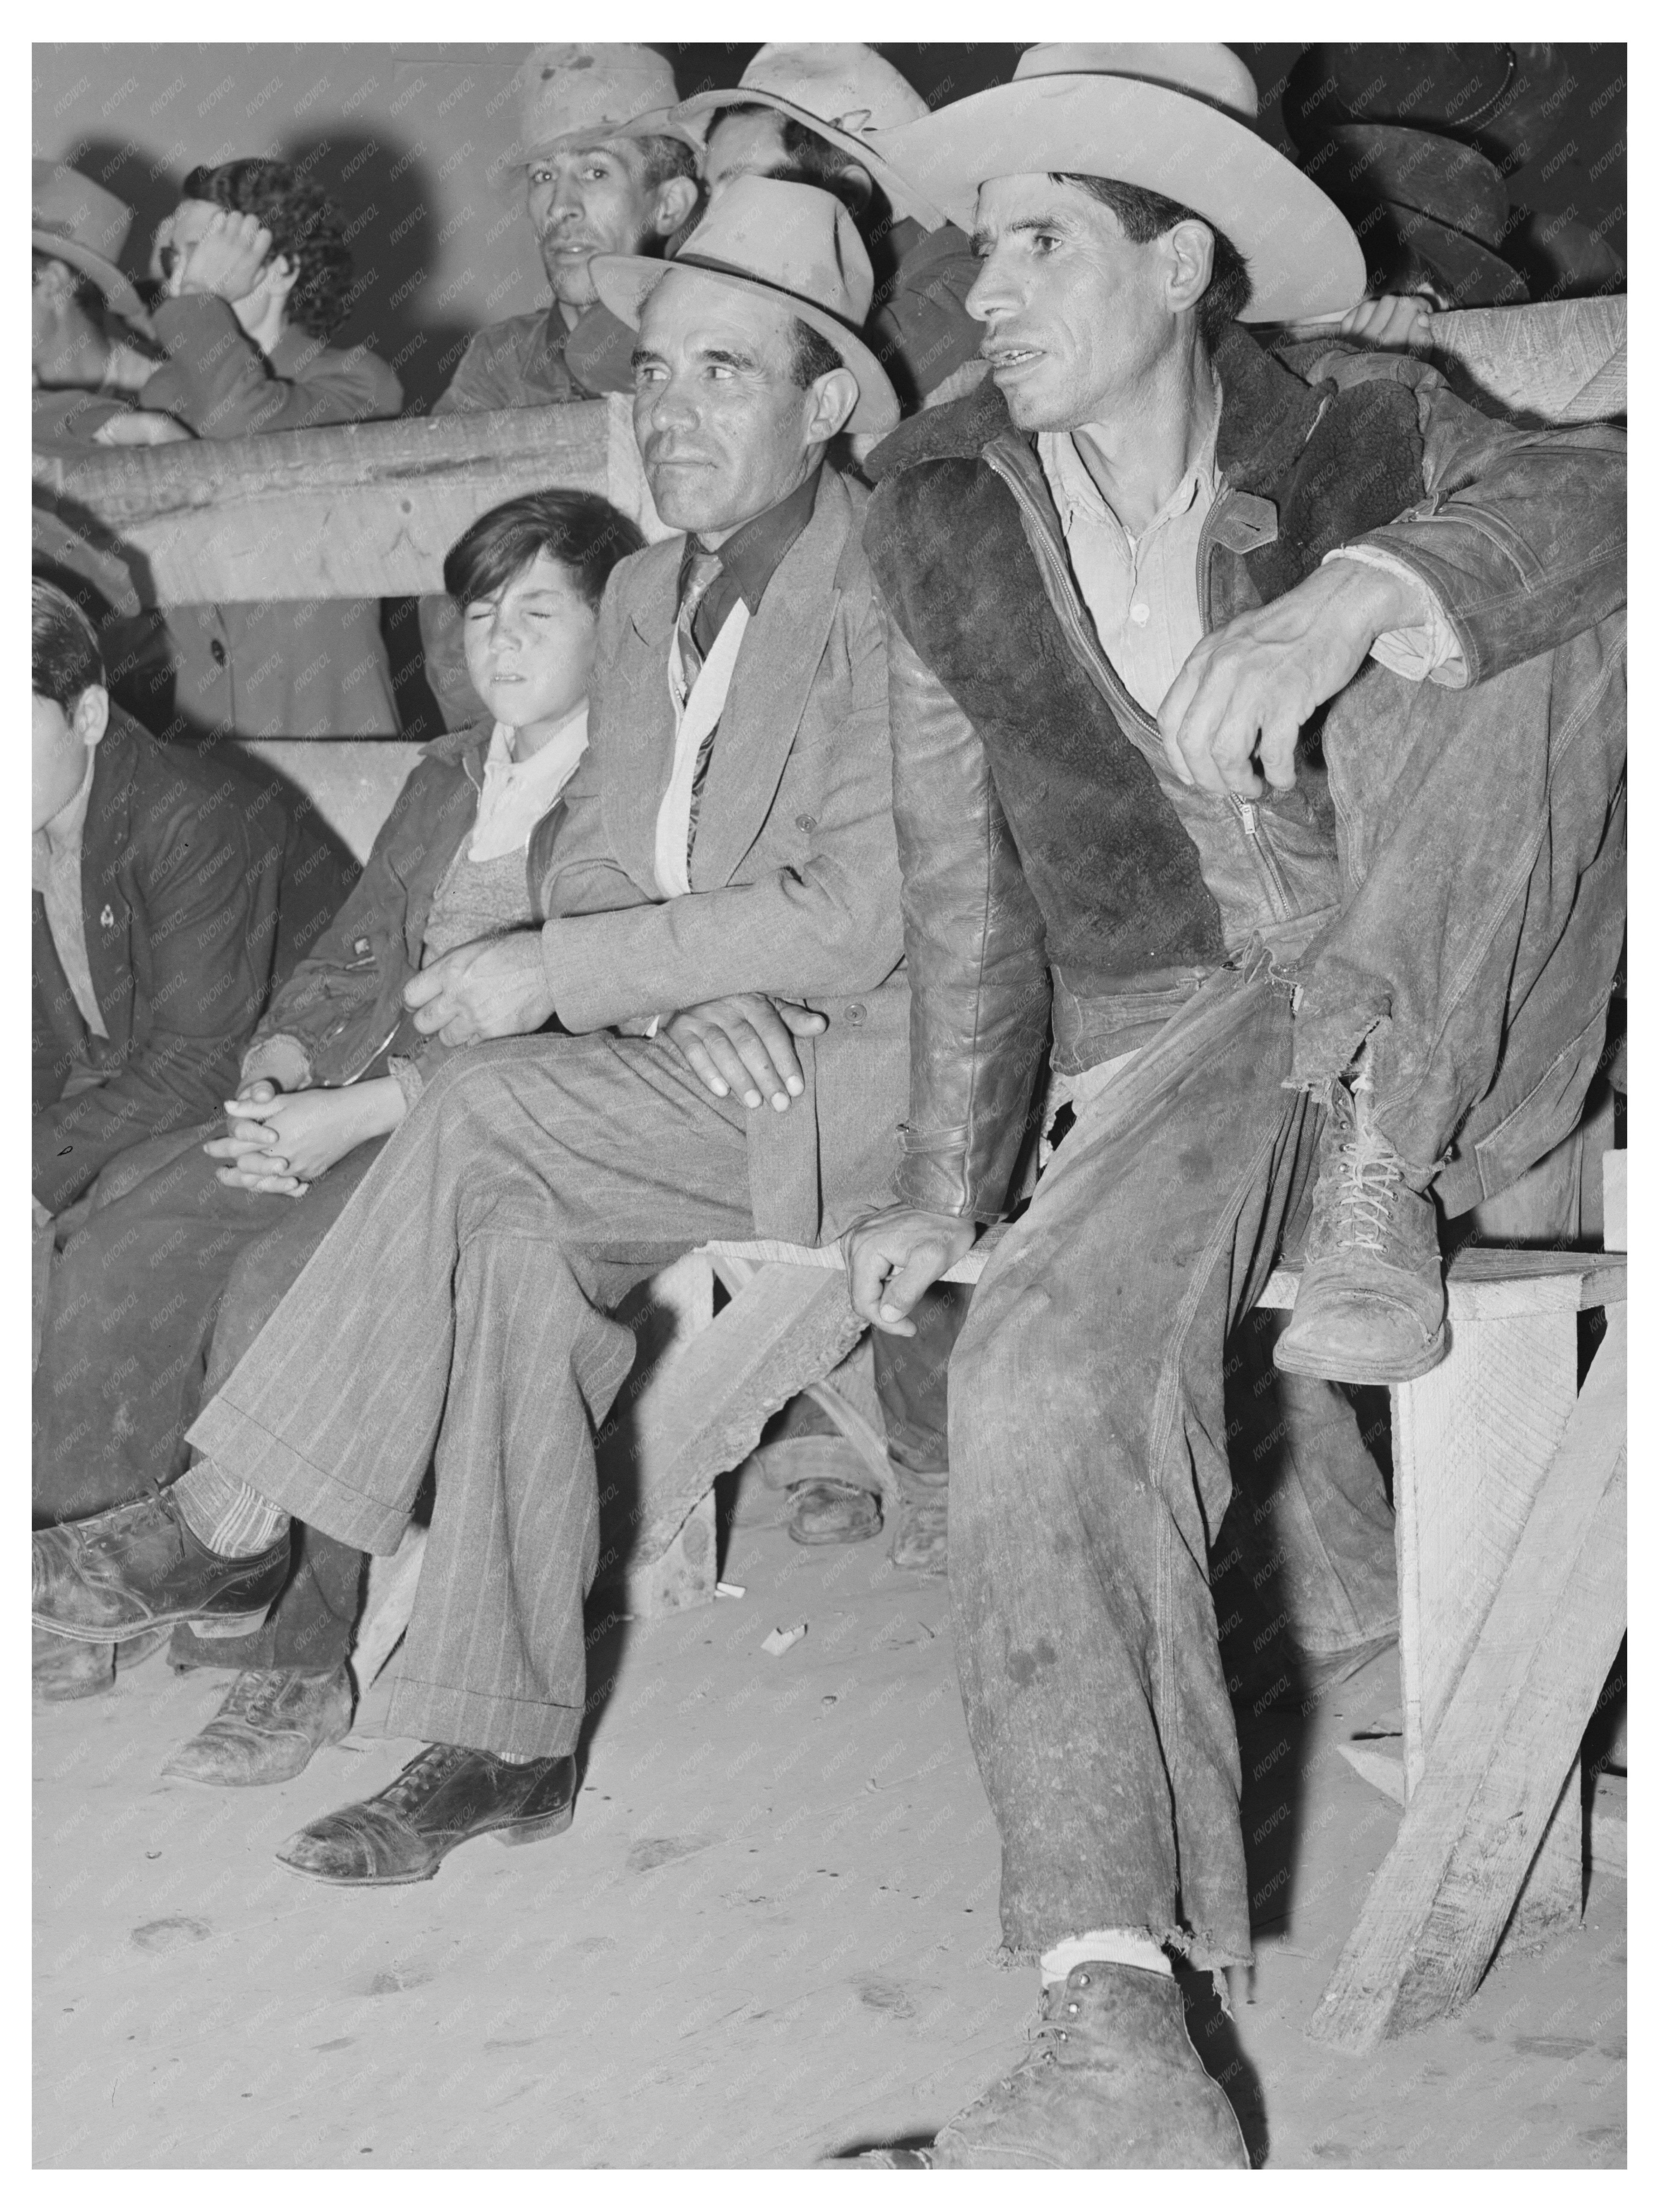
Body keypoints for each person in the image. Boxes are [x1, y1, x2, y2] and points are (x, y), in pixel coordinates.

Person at [831, 51, 1625, 2165]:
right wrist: (940, 1173)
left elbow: (1605, 501)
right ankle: (1110, 2038)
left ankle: (1385, 1119)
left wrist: (1356, 592)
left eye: (1038, 241)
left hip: (1468, 989)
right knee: (1030, 1382)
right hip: (1188, 1029)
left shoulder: (1359, 419)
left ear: (1178, 261)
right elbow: (954, 876)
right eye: (969, 246)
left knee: (1533, 600)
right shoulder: (934, 515)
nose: (978, 289)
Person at [34, 179, 913, 1894]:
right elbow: (599, 852)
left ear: (827, 405)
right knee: (507, 1248)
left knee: (482, 1113)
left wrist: (594, 966)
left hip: (857, 1081)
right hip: (673, 1070)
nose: (670, 408)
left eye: (724, 374)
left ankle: (232, 1513)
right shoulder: (659, 594)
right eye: (654, 371)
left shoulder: (892, 583)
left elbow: (867, 910)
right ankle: (505, 1740)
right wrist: (650, 970)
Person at [33, 495, 641, 1763]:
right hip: (348, 1097)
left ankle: (300, 1656)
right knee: (126, 1241)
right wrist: (277, 1065)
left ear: (616, 629)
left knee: (278, 1281)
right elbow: (345, 954)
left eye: (540, 612)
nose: (502, 643)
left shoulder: (636, 785)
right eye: (481, 614)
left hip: (494, 1128)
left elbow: (583, 1021)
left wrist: (347, 1113)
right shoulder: (450, 777)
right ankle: (125, 1567)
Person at [30, 579, 354, 1689]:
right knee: (82, 1201)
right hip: (156, 1100)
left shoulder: (191, 812)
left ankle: (79, 1597)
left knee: (112, 1231)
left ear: (85, 714)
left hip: (303, 1098)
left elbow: (199, 1062)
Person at [418, 44, 701, 728]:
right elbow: (445, 576)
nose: (561, 207)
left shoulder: (706, 356)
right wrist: (501, 740)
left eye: (596, 172)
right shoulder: (500, 364)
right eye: (544, 176)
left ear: (668, 204)